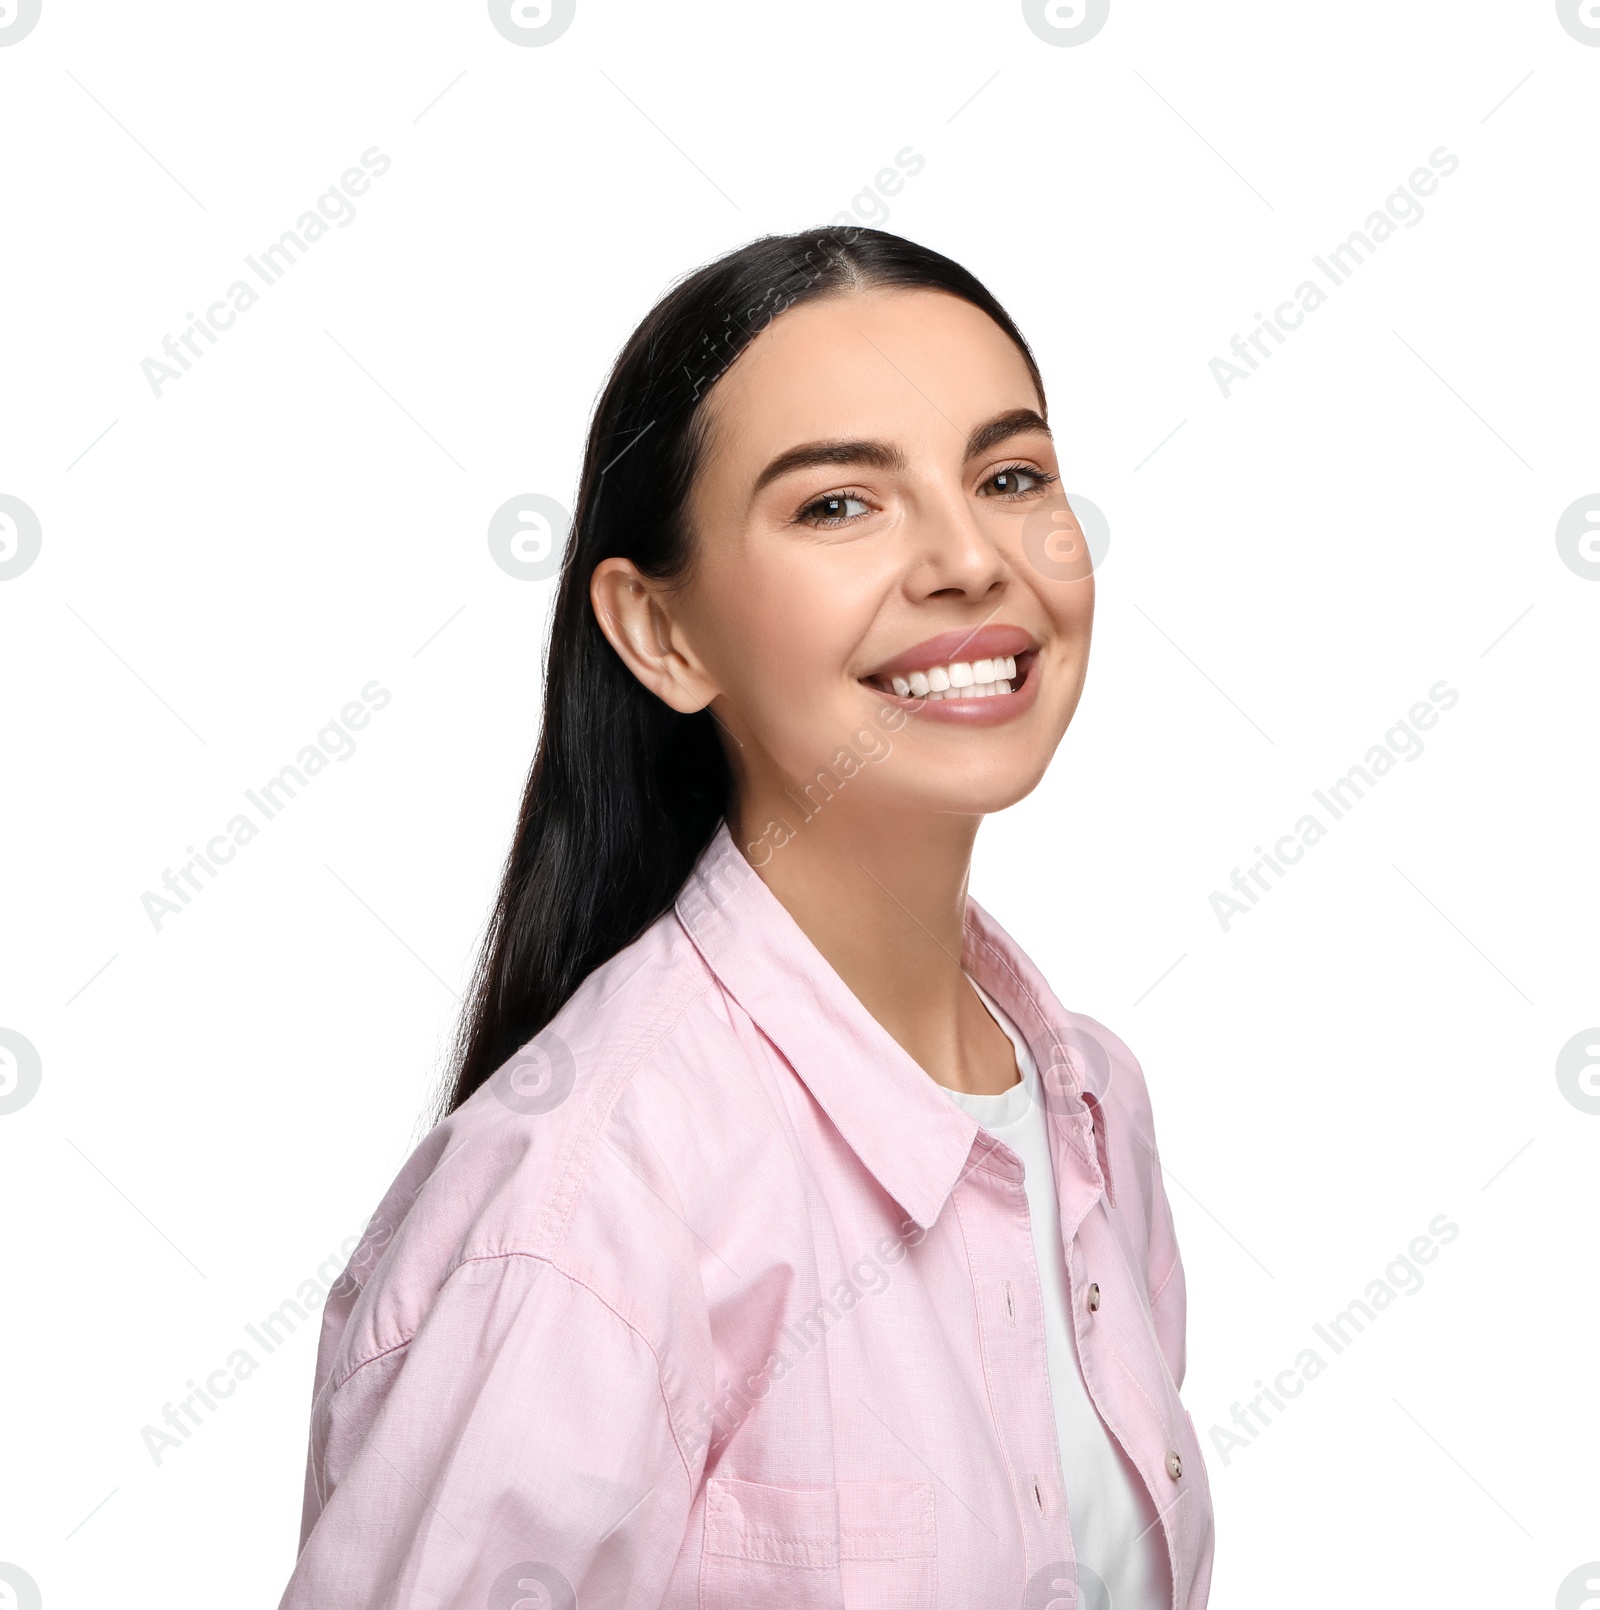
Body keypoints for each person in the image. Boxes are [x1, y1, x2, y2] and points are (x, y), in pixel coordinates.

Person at [279, 226, 1214, 1609]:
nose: (970, 557)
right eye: (840, 504)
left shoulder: (1088, 1109)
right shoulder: (585, 1210)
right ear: (662, 632)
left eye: (1010, 475)